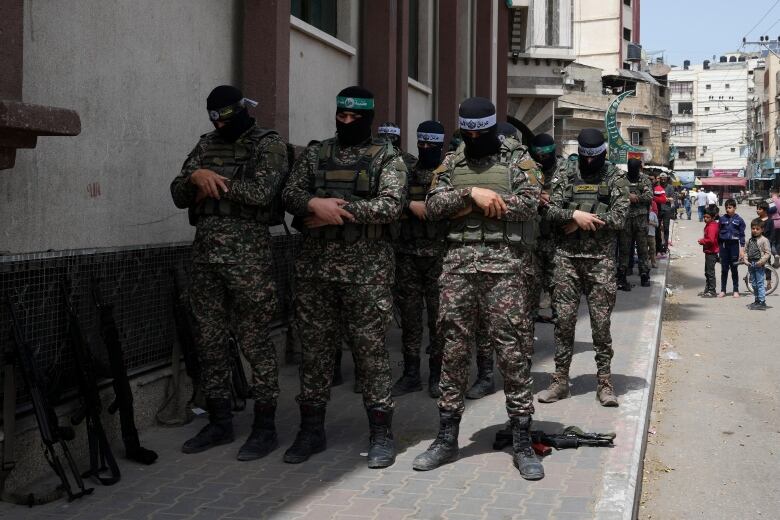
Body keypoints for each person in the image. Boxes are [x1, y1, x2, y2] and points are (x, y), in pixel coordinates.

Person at [412, 97, 544, 480]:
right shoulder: (452, 161)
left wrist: (481, 201)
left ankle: (522, 439)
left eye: (479, 132)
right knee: (451, 348)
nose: (472, 137)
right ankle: (446, 437)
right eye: (466, 131)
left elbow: (530, 204)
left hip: (507, 268)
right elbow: (433, 207)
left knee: (513, 351)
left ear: (490, 128)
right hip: (458, 266)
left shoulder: (519, 161)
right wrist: (471, 195)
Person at [282, 86, 407, 469]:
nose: (347, 122)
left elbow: (391, 205)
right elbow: (288, 193)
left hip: (366, 272)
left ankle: (381, 433)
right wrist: (311, 204)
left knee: (370, 352)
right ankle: (310, 430)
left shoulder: (388, 157)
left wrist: (336, 212)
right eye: (342, 115)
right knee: (315, 351)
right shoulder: (317, 153)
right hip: (315, 271)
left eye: (355, 117)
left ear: (368, 118)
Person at [170, 85, 288, 460]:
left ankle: (265, 426)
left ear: (242, 110)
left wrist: (210, 183)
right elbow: (177, 192)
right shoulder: (205, 145)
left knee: (254, 340)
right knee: (209, 340)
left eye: (226, 116)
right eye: (214, 118)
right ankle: (220, 421)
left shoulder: (268, 144)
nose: (220, 123)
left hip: (248, 258)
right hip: (205, 257)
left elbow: (263, 194)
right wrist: (193, 180)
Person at [537, 128, 629, 408]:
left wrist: (583, 219)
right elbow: (549, 210)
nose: (589, 164)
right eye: (585, 158)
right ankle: (560, 380)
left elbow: (620, 216)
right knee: (563, 323)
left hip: (600, 262)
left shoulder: (615, 177)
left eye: (595, 158)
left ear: (602, 154)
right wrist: (571, 213)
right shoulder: (566, 173)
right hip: (566, 259)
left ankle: (604, 382)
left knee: (601, 325)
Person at [392, 120, 449, 398]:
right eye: (422, 143)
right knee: (411, 318)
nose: (426, 148)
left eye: (431, 145)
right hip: (408, 255)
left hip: (440, 257)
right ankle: (411, 373)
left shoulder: (447, 174)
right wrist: (409, 206)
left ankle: (437, 374)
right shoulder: (406, 173)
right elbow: (389, 200)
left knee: (439, 319)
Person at [530, 133, 563, 321]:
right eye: (538, 156)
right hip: (532, 240)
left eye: (546, 155)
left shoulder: (565, 171)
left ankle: (561, 334)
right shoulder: (528, 171)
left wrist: (552, 200)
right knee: (530, 287)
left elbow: (571, 201)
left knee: (558, 288)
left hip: (556, 240)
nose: (542, 159)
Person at [617, 158, 652, 290]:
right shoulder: (622, 179)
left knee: (643, 248)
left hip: (640, 219)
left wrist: (635, 198)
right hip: (626, 218)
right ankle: (622, 274)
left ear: (638, 168)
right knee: (624, 248)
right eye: (630, 168)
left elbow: (649, 196)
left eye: (634, 168)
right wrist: (627, 196)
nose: (632, 171)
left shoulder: (644, 179)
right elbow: (616, 194)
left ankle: (644, 274)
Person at [717, 199, 746, 298]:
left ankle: (736, 290)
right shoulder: (722, 219)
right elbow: (718, 234)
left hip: (734, 246)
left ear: (734, 208)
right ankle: (723, 290)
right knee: (724, 269)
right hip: (724, 246)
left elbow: (742, 236)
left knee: (734, 268)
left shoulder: (739, 220)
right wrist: (718, 249)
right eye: (726, 208)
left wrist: (742, 250)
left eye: (729, 207)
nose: (727, 209)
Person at [745, 218, 772, 310]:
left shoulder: (764, 240)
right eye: (753, 228)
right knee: (754, 284)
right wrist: (745, 260)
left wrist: (760, 262)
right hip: (751, 264)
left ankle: (762, 302)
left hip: (759, 265)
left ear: (762, 230)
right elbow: (746, 251)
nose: (755, 230)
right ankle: (757, 300)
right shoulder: (749, 240)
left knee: (760, 283)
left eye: (757, 229)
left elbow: (768, 253)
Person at [697, 206, 720, 298]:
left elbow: (710, 240)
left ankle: (712, 291)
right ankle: (707, 289)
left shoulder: (712, 226)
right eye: (704, 217)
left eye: (708, 217)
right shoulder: (710, 224)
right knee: (707, 272)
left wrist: (702, 241)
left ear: (713, 217)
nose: (705, 219)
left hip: (712, 252)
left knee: (710, 272)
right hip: (709, 251)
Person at [756, 201, 775, 290]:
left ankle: (768, 282)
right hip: (757, 245)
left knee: (767, 264)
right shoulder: (757, 221)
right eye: (757, 209)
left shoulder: (770, 221)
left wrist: (769, 243)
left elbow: (772, 234)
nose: (757, 210)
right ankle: (756, 280)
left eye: (759, 209)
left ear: (765, 210)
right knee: (756, 262)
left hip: (767, 246)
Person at [658, 173, 674, 252]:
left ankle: (665, 246)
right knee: (657, 228)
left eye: (664, 179)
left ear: (667, 179)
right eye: (662, 179)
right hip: (658, 209)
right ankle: (658, 245)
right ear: (659, 179)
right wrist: (665, 199)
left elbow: (672, 199)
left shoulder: (670, 187)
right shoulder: (657, 187)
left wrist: (663, 199)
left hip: (667, 210)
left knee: (666, 228)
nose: (663, 180)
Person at [652, 181, 667, 258]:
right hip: (644, 214)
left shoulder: (658, 189)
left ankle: (658, 250)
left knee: (657, 233)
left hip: (656, 214)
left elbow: (663, 199)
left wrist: (653, 198)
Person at [648, 201, 659, 268]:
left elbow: (657, 224)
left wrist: (651, 223)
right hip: (644, 234)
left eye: (650, 206)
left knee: (652, 249)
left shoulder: (653, 214)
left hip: (651, 235)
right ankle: (645, 263)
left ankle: (653, 263)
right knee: (644, 251)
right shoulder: (643, 214)